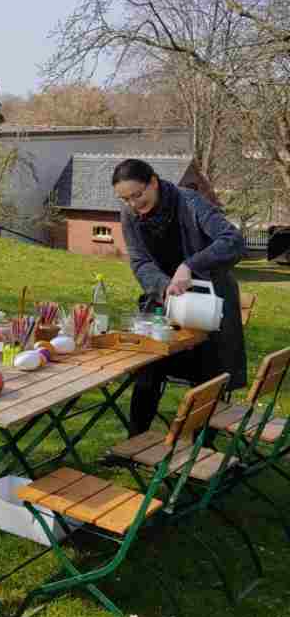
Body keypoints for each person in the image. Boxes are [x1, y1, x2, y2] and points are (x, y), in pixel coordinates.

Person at [113, 158, 247, 437]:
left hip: (210, 308)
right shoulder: (129, 214)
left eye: (137, 195)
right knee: (148, 370)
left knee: (206, 378)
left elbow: (232, 240)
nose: (133, 205)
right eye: (125, 199)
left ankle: (200, 450)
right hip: (166, 305)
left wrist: (190, 266)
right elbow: (140, 262)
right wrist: (165, 286)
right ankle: (134, 443)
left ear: (153, 182)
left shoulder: (189, 202)